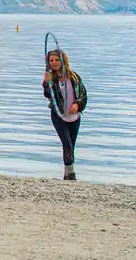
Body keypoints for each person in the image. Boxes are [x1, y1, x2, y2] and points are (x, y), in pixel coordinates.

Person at [43, 49, 88, 181]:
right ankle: (70, 174)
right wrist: (47, 83)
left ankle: (67, 174)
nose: (54, 63)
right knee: (66, 143)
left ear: (63, 61)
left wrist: (77, 105)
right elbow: (47, 95)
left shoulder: (74, 77)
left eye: (56, 60)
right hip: (58, 116)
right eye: (51, 60)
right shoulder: (51, 79)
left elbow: (83, 95)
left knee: (71, 145)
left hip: (74, 117)